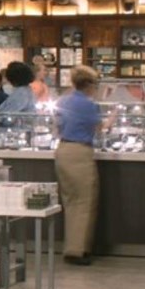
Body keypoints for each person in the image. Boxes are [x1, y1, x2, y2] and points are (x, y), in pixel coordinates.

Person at [55, 66, 103, 266]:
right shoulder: (88, 105)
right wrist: (113, 118)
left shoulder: (63, 100)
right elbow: (100, 129)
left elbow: (57, 126)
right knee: (84, 202)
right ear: (89, 84)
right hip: (80, 153)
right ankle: (77, 250)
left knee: (70, 200)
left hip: (62, 151)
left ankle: (70, 246)